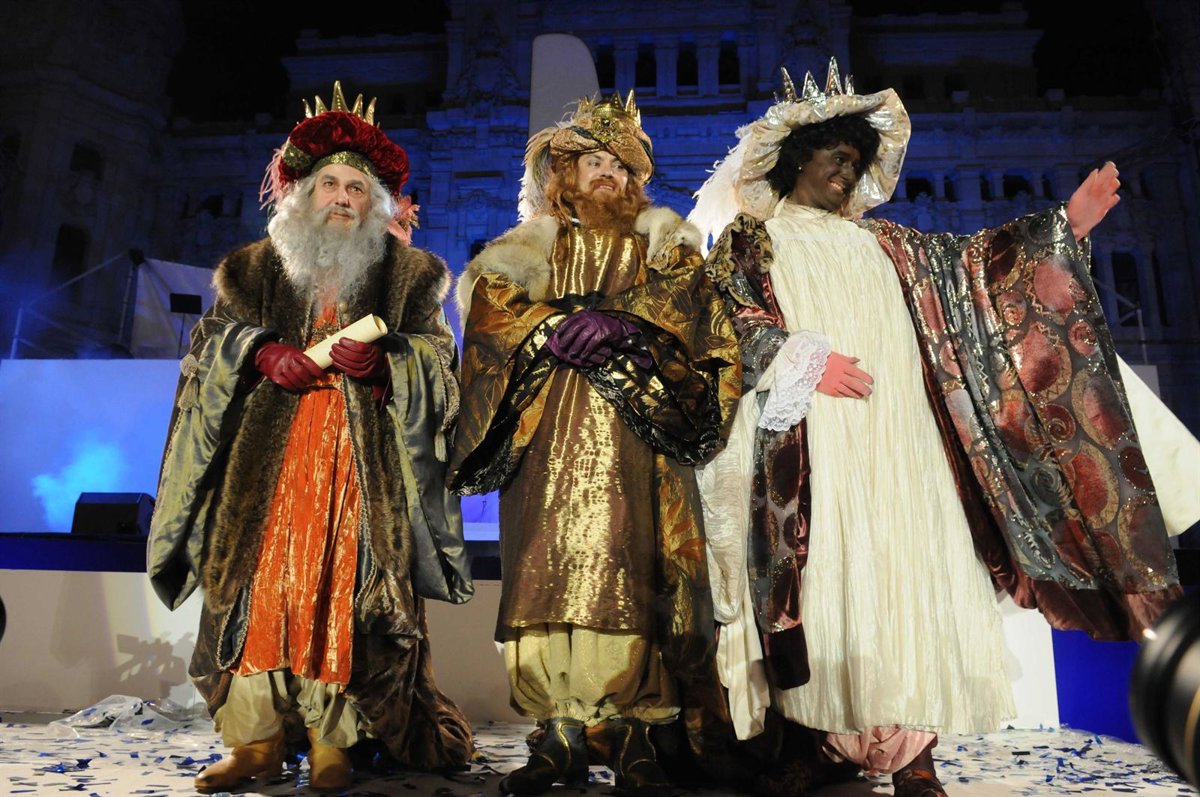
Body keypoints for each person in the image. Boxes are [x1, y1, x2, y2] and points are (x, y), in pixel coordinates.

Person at [690, 60, 1197, 797]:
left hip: (905, 439)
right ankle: (821, 742)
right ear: (798, 157)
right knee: (826, 579)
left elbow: (978, 274)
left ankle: (914, 754)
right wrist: (802, 360)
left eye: (856, 161)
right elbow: (724, 315)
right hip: (815, 440)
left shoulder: (893, 244)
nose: (847, 171)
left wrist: (1064, 227)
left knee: (914, 573)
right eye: (836, 155)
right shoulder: (754, 239)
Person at [147, 81, 473, 792]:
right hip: (264, 463)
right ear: (302, 192)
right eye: (330, 183)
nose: (343, 198)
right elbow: (207, 346)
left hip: (359, 468)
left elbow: (440, 364)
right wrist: (261, 351)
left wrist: (389, 366)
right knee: (257, 590)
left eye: (358, 187)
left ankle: (333, 741)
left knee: (339, 592)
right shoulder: (252, 269)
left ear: (376, 202)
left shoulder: (410, 275)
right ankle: (256, 741)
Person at [448, 92, 740, 796]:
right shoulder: (526, 250)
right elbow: (491, 318)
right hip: (545, 436)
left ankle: (635, 732)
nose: (606, 173)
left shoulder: (665, 248)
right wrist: (551, 326)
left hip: (637, 441)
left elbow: (696, 318)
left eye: (619, 164)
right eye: (593, 162)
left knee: (631, 566)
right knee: (544, 569)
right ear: (565, 173)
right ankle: (559, 734)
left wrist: (623, 325)